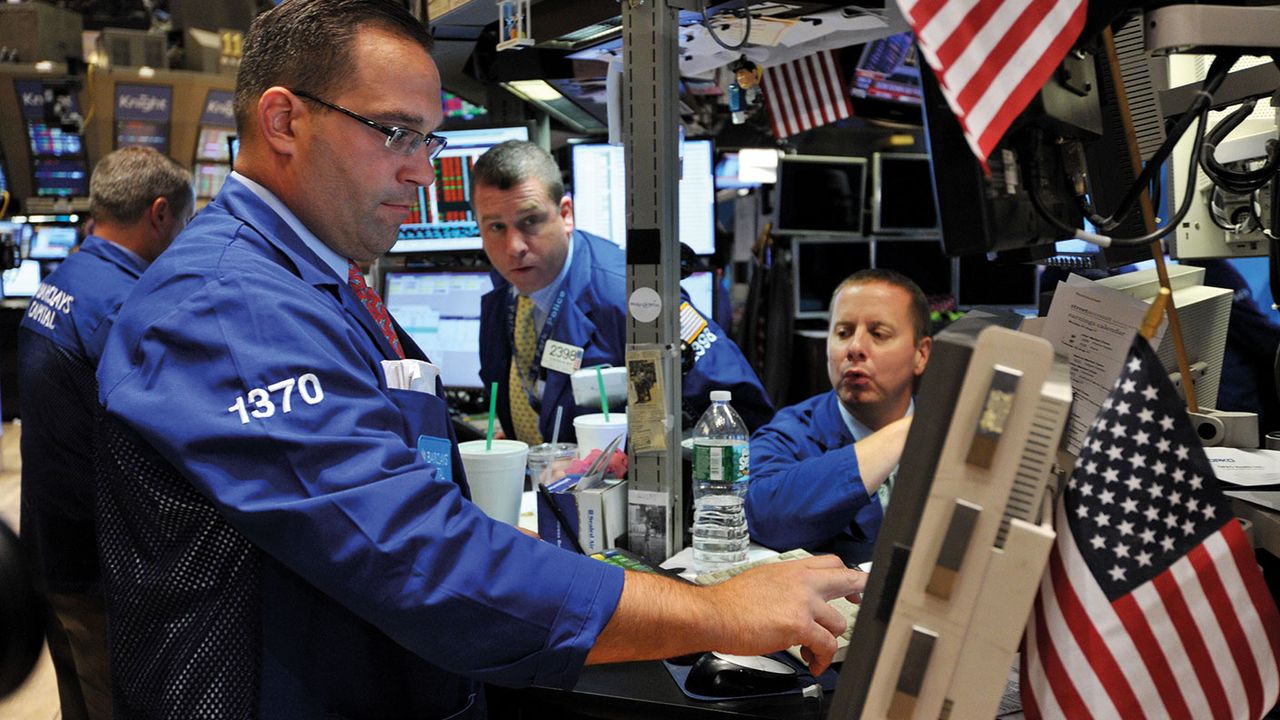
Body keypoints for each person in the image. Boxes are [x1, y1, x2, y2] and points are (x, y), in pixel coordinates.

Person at [92, 2, 865, 717]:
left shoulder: (308, 284)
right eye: (394, 132)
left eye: (426, 138)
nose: (423, 172)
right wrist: (717, 612)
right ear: (285, 120)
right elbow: (417, 555)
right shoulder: (229, 307)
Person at [17, 146, 193, 720]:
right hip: (96, 567)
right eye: (185, 223)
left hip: (47, 545)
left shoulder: (65, 277)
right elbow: (170, 439)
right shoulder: (126, 307)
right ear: (160, 214)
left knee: (79, 699)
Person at [472, 140, 774, 445]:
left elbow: (739, 415)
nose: (514, 248)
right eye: (496, 227)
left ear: (565, 214)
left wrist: (624, 457)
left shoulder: (635, 296)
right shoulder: (504, 292)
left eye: (530, 221)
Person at [745, 268, 932, 565]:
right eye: (843, 332)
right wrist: (904, 433)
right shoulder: (790, 432)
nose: (855, 348)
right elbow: (764, 516)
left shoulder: (953, 432)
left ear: (921, 354)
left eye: (879, 334)